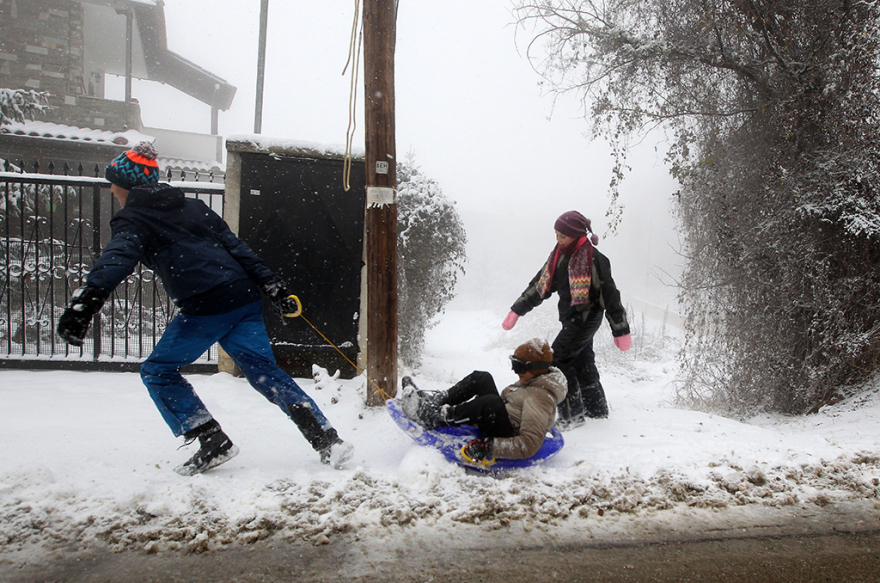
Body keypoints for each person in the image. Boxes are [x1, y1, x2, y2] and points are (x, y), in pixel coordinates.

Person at [56, 142, 353, 475]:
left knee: (157, 371)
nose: (112, 189)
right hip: (243, 298)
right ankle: (327, 439)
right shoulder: (193, 208)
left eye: (114, 183)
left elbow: (117, 259)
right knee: (266, 373)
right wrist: (274, 287)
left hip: (206, 305)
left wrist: (86, 303)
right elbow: (238, 249)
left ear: (126, 185)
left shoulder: (134, 218)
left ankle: (211, 439)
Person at [501, 211, 631, 427]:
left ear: (576, 235)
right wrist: (517, 310)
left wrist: (621, 329)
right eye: (556, 235)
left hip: (588, 317)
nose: (558, 240)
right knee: (582, 362)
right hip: (570, 318)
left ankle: (572, 416)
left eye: (562, 236)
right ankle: (596, 411)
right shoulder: (558, 257)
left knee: (558, 359)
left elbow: (610, 295)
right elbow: (540, 285)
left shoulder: (595, 259)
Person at [400, 338, 567, 463]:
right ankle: (436, 400)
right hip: (500, 421)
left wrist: (489, 447)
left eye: (519, 367)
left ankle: (433, 416)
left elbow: (529, 444)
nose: (515, 371)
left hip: (505, 437)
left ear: (535, 369)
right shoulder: (532, 381)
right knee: (482, 378)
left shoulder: (539, 398)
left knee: (491, 404)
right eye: (514, 364)